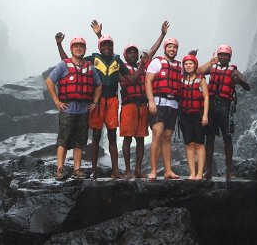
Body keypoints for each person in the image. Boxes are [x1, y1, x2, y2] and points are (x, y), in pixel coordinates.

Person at [55, 22, 142, 179]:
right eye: (104, 45)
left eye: (109, 45)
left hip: (113, 101)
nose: (107, 47)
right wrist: (59, 45)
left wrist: (142, 65)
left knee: (112, 135)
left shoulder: (117, 60)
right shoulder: (93, 58)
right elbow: (69, 61)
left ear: (113, 46)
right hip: (96, 101)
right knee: (95, 135)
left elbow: (132, 79)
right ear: (100, 46)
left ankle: (115, 171)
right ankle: (94, 171)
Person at [46, 37, 102, 180]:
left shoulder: (90, 66)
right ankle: (60, 169)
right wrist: (56, 101)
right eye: (76, 46)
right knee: (63, 140)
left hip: (83, 110)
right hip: (68, 109)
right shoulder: (63, 65)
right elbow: (50, 81)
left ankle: (76, 169)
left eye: (81, 47)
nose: (78, 49)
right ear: (71, 49)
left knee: (80, 141)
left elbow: (98, 85)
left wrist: (95, 102)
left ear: (85, 49)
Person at [118, 21, 169, 179]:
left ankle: (138, 169)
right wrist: (99, 35)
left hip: (143, 106)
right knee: (127, 138)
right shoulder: (121, 67)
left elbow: (152, 51)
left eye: (135, 52)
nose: (133, 54)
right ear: (125, 55)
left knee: (140, 139)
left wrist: (162, 35)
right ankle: (127, 170)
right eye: (130, 52)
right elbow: (129, 80)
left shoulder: (143, 65)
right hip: (128, 106)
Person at [199, 44, 250, 180]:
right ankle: (209, 171)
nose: (222, 57)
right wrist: (209, 62)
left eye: (225, 55)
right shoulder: (213, 67)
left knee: (227, 138)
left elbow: (247, 86)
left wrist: (239, 81)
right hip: (211, 107)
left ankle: (228, 172)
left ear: (229, 57)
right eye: (220, 55)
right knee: (209, 138)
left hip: (225, 107)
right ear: (217, 55)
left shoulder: (234, 71)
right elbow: (198, 72)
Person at [145, 37, 182, 181]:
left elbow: (197, 71)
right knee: (158, 134)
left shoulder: (179, 66)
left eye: (175, 47)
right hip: (158, 103)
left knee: (167, 138)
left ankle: (168, 170)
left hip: (172, 105)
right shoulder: (157, 62)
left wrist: (210, 63)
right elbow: (148, 81)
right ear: (165, 48)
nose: (172, 50)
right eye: (170, 47)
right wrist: (151, 101)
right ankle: (153, 170)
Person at [179, 55, 209, 180]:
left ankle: (200, 173)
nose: (188, 66)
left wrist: (205, 115)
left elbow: (206, 97)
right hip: (185, 115)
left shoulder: (200, 79)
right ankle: (192, 173)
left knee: (199, 144)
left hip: (198, 114)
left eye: (191, 63)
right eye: (186, 64)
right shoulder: (180, 79)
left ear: (195, 65)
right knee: (189, 144)